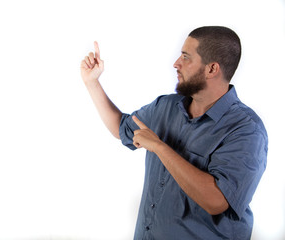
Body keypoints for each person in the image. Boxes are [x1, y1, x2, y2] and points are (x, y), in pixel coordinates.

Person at [80, 26, 267, 239]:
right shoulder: (165, 107)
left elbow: (216, 201)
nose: (176, 63)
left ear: (212, 69)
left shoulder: (246, 130)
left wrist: (159, 147)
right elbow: (121, 127)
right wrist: (92, 82)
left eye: (186, 57)